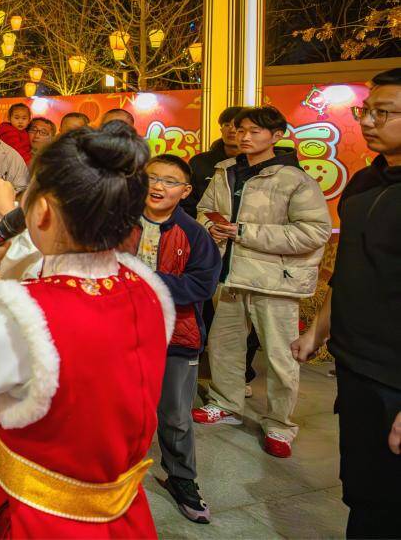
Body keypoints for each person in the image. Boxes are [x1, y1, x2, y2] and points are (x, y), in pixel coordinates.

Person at [0, 122, 172, 537]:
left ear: (42, 212)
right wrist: (7, 214)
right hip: (121, 513)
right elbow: (53, 265)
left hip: (34, 516)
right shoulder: (146, 290)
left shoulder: (20, 316)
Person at [291, 68, 401, 536]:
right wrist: (319, 329)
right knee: (363, 489)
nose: (369, 122)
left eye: (385, 112)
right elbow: (352, 268)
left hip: (395, 376)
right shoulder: (364, 183)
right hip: (356, 365)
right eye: (367, 111)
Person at [194, 105, 332, 459]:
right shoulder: (223, 171)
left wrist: (243, 232)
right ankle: (226, 403)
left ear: (277, 135)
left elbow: (313, 232)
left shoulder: (295, 180)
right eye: (241, 130)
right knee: (224, 347)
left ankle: (280, 424)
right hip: (228, 276)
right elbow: (203, 211)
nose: (244, 136)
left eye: (254, 131)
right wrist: (212, 228)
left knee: (280, 356)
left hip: (275, 280)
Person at [134, 154, 221, 525]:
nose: (158, 187)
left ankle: (182, 478)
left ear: (185, 191)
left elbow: (203, 283)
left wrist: (145, 283)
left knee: (175, 415)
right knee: (122, 410)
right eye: (152, 178)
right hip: (123, 333)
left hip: (176, 337)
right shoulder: (117, 223)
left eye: (170, 182)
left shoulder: (195, 234)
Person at [184, 106, 245, 216]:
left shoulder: (257, 163)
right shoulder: (199, 162)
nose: (231, 130)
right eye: (227, 125)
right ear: (221, 129)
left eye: (237, 125)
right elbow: (187, 202)